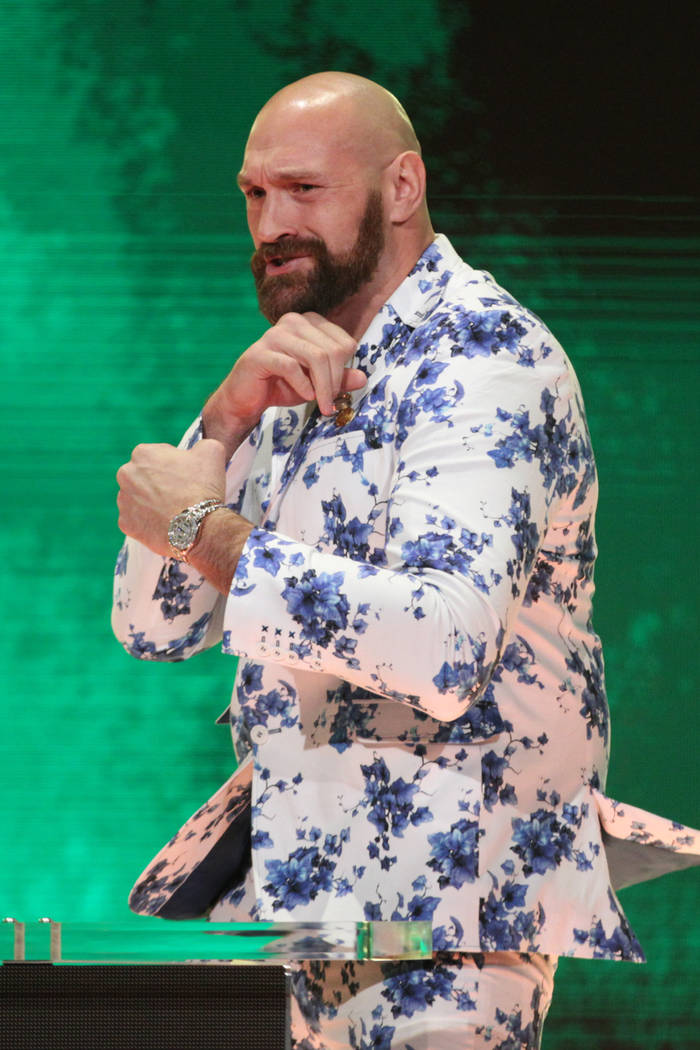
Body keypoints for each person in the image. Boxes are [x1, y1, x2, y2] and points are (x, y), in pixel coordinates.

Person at [113, 72, 698, 1049]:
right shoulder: (293, 370)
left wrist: (201, 529)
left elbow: (436, 643)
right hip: (310, 916)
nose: (270, 224)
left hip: (448, 923)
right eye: (254, 195)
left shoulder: (483, 361)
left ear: (400, 187)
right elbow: (155, 625)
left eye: (303, 190)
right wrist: (222, 421)